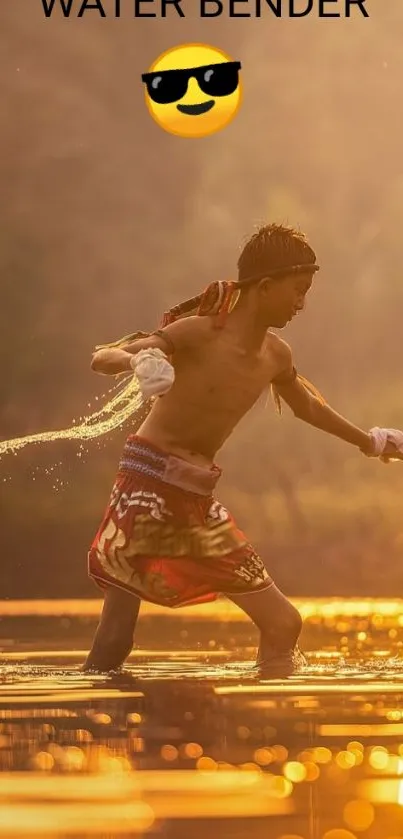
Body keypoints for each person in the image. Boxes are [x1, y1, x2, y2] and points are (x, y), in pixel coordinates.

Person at [83, 223, 402, 677]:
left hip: (195, 500)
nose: (301, 303)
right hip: (146, 486)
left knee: (283, 623)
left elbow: (309, 407)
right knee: (116, 636)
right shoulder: (198, 333)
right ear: (265, 286)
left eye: (306, 292)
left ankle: (263, 715)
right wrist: (141, 359)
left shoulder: (276, 355)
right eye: (297, 290)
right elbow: (102, 358)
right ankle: (99, 726)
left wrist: (373, 441)